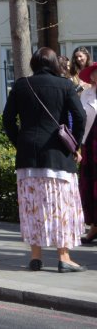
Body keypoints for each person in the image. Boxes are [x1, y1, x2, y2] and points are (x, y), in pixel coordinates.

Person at [3, 47, 87, 272]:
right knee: (61, 205)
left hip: (28, 154)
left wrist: (19, 142)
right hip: (57, 154)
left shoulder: (21, 85)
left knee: (32, 206)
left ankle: (35, 256)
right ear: (54, 64)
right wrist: (74, 144)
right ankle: (63, 257)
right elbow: (80, 117)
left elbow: (7, 120)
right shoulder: (65, 85)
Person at [77, 62, 97, 245]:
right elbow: (79, 117)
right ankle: (94, 226)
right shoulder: (86, 94)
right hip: (91, 143)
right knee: (91, 184)